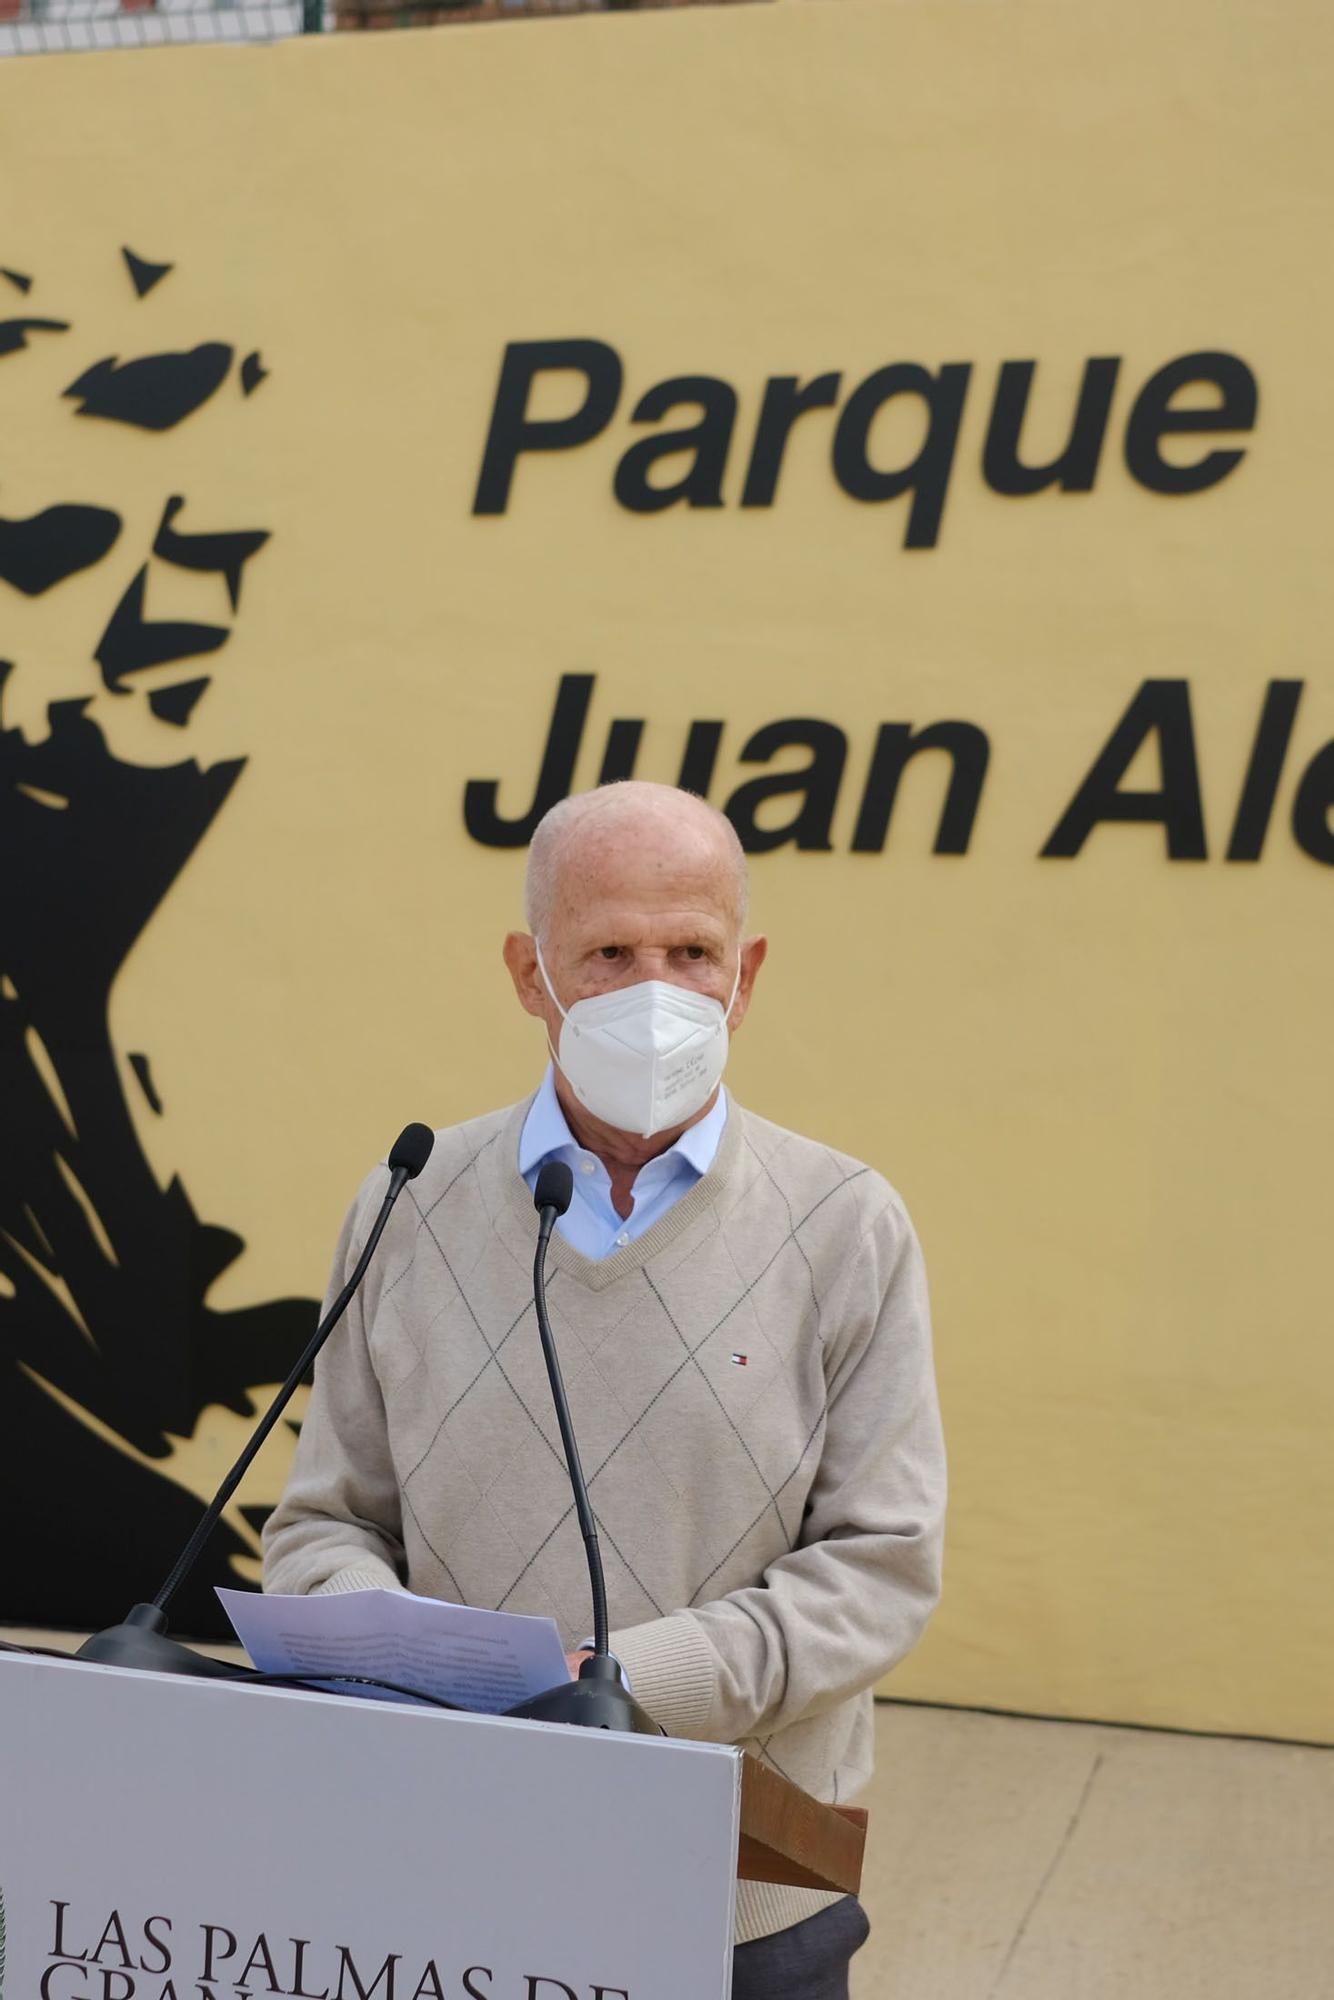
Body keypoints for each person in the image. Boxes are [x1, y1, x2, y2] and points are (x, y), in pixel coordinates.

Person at [263, 780, 946, 2000]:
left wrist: (620, 1682)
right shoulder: (406, 1200)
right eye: (609, 951)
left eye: (693, 951)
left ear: (748, 974)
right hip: (441, 1868)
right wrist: (411, 1656)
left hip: (743, 1896)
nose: (656, 990)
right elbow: (325, 1524)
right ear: (531, 973)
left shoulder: (847, 1224)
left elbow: (878, 1567)